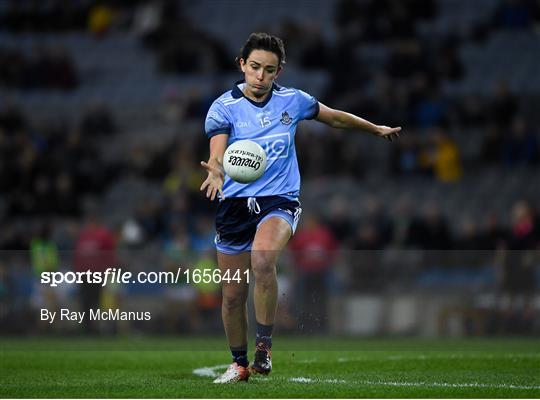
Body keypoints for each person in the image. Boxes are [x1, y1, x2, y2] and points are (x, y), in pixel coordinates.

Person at [200, 32, 401, 383]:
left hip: (279, 201)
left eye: (269, 69)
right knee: (232, 296)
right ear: (241, 65)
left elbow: (335, 117)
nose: (260, 76)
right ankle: (238, 364)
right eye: (255, 67)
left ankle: (264, 348)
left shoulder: (293, 101)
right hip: (233, 207)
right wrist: (215, 171)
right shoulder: (223, 108)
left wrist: (374, 129)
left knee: (263, 258)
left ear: (279, 71)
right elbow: (217, 152)